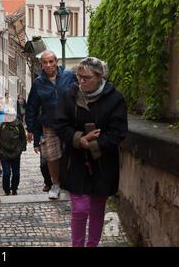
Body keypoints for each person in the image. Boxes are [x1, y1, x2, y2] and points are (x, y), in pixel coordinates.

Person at [53, 57, 128, 247]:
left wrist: (94, 144)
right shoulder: (69, 95)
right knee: (80, 208)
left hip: (103, 162)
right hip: (76, 161)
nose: (81, 81)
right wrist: (80, 139)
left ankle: (92, 244)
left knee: (97, 208)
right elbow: (60, 125)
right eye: (79, 77)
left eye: (86, 78)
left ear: (100, 77)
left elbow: (118, 132)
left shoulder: (115, 99)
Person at [25, 50, 77, 199]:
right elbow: (32, 108)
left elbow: (78, 96)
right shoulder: (38, 83)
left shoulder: (69, 76)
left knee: (71, 153)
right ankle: (55, 184)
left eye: (51, 62)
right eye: (44, 62)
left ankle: (71, 181)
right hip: (49, 124)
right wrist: (30, 129)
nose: (48, 65)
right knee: (52, 156)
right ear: (41, 64)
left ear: (56, 61)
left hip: (69, 123)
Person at [0, 106, 27, 196]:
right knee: (6, 172)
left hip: (16, 153)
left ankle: (14, 188)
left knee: (16, 173)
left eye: (11, 115)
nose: (9, 117)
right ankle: (6, 189)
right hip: (4, 153)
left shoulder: (19, 125)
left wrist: (21, 149)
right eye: (7, 115)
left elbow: (23, 138)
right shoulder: (1, 126)